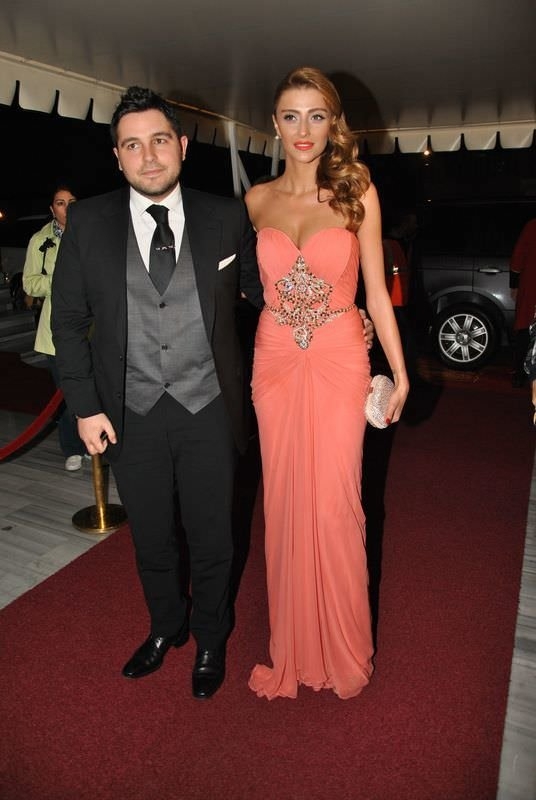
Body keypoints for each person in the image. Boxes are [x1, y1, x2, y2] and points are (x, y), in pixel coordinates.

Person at [51, 86, 265, 700]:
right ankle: (166, 626)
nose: (148, 156)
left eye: (159, 140)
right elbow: (67, 322)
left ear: (183, 146)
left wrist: (332, 320)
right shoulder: (88, 222)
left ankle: (211, 638)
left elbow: (265, 299)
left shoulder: (226, 215)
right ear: (117, 156)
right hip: (130, 410)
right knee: (151, 537)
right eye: (132, 145)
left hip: (209, 409)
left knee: (213, 536)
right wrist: (85, 406)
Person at [245, 66, 409, 700]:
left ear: (334, 123)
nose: (304, 129)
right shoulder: (255, 201)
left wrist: (399, 371)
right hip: (274, 361)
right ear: (275, 124)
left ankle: (342, 647)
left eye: (317, 115)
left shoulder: (356, 190)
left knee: (337, 504)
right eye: (291, 115)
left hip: (340, 357)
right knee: (283, 501)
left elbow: (377, 292)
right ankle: (291, 647)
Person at [22, 186, 87, 471]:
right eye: (60, 203)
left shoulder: (92, 234)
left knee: (96, 391)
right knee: (66, 394)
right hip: (56, 332)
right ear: (52, 209)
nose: (67, 207)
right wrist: (60, 282)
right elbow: (29, 283)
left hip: (94, 330)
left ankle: (94, 445)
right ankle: (72, 448)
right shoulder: (40, 240)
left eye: (72, 202)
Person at [510, 218, 536, 387]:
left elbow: (517, 258)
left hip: (531, 287)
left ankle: (520, 373)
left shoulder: (532, 226)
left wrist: (514, 285)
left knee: (525, 330)